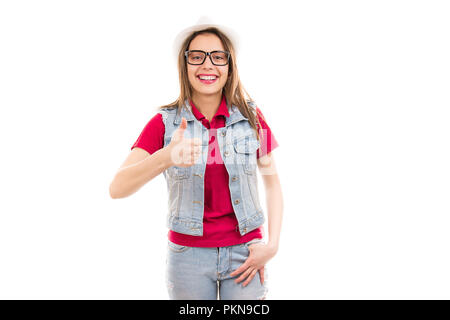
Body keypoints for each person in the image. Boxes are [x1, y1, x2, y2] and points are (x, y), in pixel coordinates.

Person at [109, 17, 284, 300]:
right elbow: (117, 188)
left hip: (246, 256)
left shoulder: (252, 117)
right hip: (187, 259)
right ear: (184, 64)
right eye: (196, 56)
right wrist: (166, 157)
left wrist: (272, 246)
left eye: (217, 57)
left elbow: (273, 184)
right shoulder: (163, 124)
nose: (207, 65)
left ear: (229, 66)